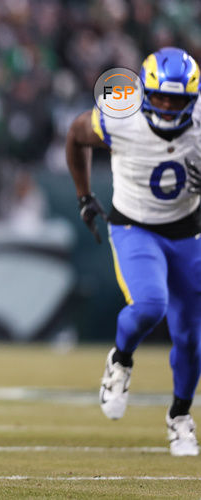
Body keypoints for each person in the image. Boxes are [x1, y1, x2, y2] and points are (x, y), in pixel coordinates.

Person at [65, 47, 201, 457]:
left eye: (175, 100)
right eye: (158, 96)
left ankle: (180, 417)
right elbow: (75, 135)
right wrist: (85, 196)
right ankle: (120, 360)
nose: (165, 106)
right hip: (135, 227)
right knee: (149, 305)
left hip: (188, 232)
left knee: (191, 337)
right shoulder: (119, 115)